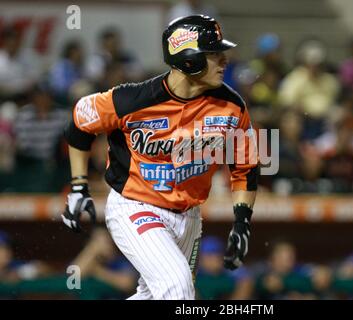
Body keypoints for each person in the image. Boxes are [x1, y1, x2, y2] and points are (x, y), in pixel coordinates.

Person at [62, 15, 259, 300]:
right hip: (135, 205)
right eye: (214, 53)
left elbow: (246, 167)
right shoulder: (132, 99)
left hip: (189, 215)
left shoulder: (232, 106)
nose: (224, 60)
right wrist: (79, 186)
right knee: (176, 287)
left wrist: (242, 222)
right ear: (189, 59)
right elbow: (79, 123)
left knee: (158, 295)